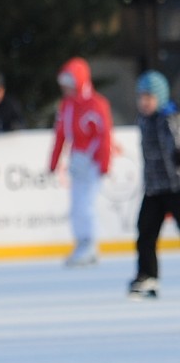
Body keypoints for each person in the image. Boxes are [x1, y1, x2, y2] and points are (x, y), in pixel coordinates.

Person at [49, 57, 112, 266]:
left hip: (93, 162)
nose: (66, 89)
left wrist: (103, 162)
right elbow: (60, 135)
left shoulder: (97, 104)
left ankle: (90, 244)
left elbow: (104, 135)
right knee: (76, 205)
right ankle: (81, 242)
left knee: (87, 205)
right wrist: (54, 161)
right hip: (77, 161)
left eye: (69, 84)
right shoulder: (66, 105)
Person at [127, 71, 180, 299]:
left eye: (149, 98)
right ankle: (147, 276)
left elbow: (176, 145)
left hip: (176, 187)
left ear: (160, 97)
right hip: (154, 189)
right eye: (141, 97)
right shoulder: (143, 120)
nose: (144, 102)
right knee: (145, 232)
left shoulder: (169, 119)